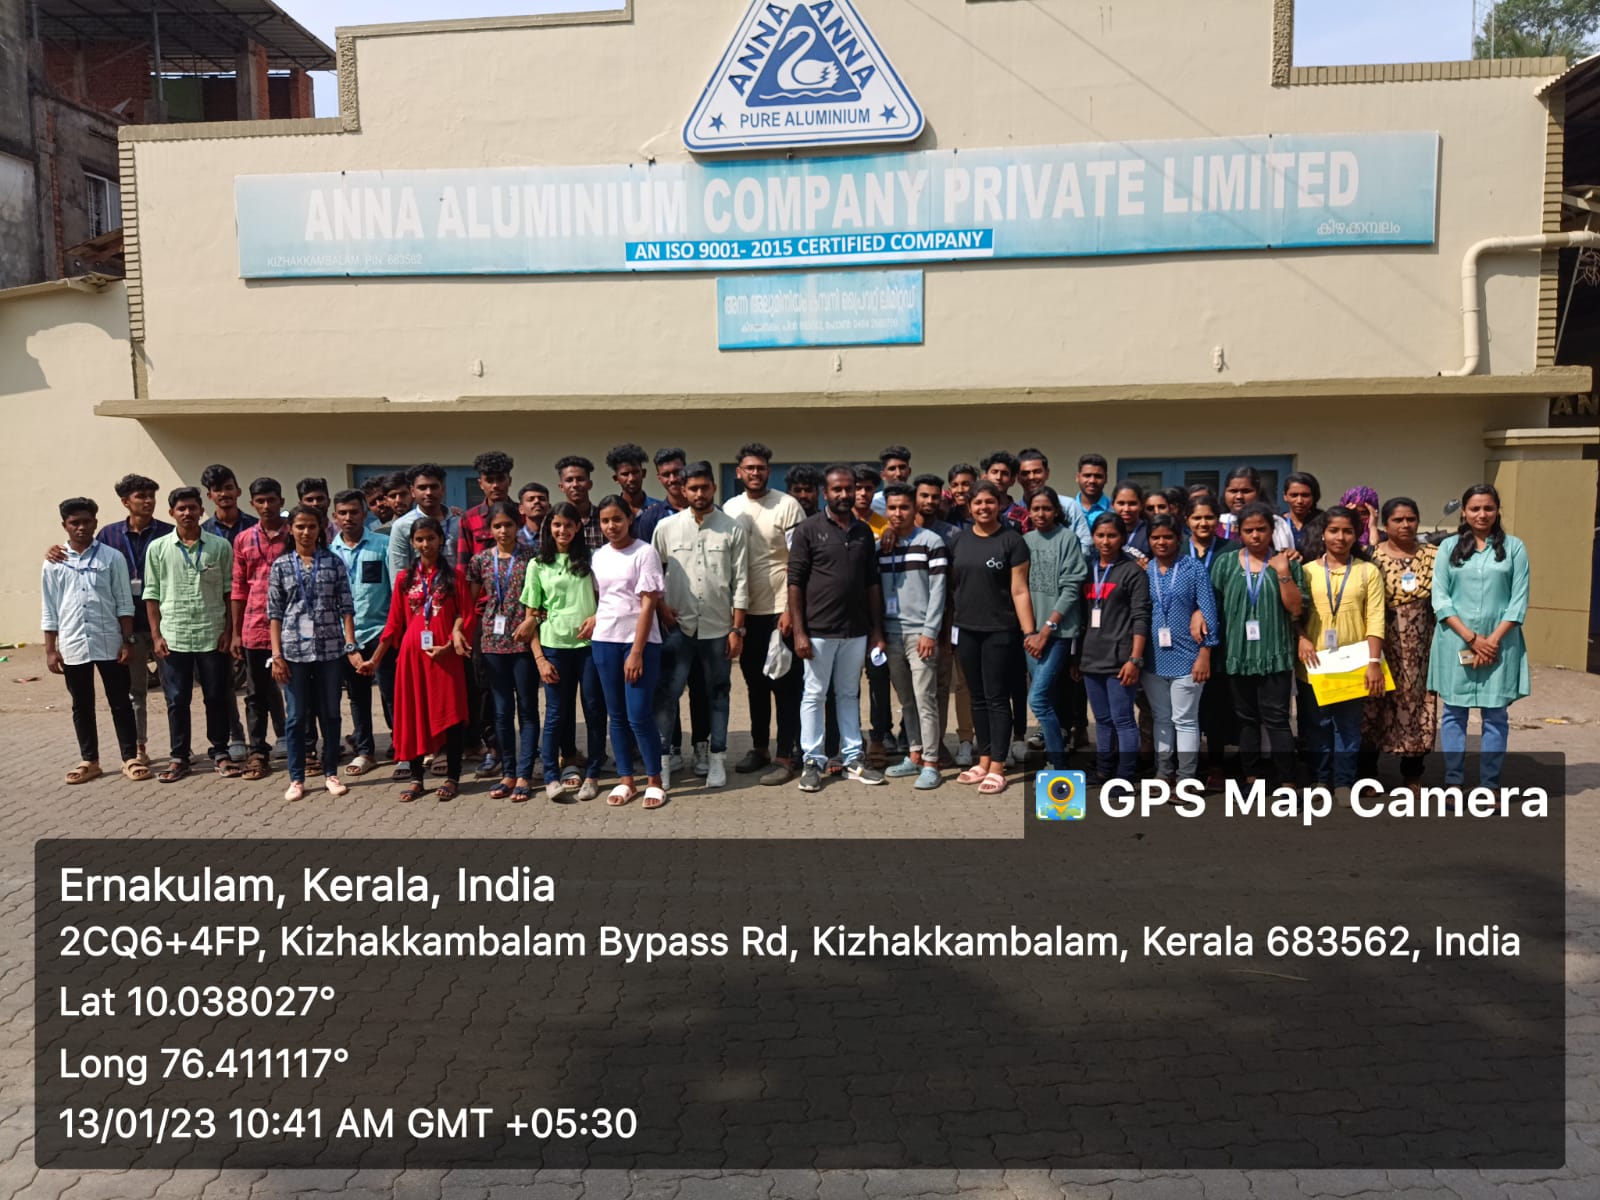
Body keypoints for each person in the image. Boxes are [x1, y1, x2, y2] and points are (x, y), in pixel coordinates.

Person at [788, 464, 888, 792]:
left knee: (848, 693)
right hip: (818, 630)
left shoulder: (862, 532)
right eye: (837, 489)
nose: (844, 494)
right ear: (825, 493)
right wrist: (800, 632)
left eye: (849, 488)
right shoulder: (808, 530)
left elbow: (872, 583)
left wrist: (876, 630)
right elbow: (795, 582)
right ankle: (812, 760)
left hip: (856, 630)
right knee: (814, 694)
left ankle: (852, 758)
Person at [1427, 484, 1530, 789]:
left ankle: (1490, 786)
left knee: (1496, 715)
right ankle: (1453, 782)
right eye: (1475, 508)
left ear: (1497, 510)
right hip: (1456, 640)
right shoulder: (1448, 547)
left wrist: (1492, 641)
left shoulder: (1514, 548)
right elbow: (1440, 598)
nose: (1481, 514)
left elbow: (1518, 600)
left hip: (1501, 644)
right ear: (1464, 512)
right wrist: (1472, 639)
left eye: (1488, 508)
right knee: (1453, 714)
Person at [653, 461, 748, 789]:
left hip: (718, 628)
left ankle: (717, 758)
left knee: (718, 694)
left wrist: (737, 630)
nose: (699, 493)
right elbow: (653, 574)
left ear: (714, 488)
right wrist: (661, 607)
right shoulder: (666, 527)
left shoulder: (732, 528)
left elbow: (741, 582)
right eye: (692, 488)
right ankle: (663, 761)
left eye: (704, 487)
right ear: (683, 490)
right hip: (677, 628)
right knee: (667, 695)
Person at [369, 517, 474, 802]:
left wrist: (450, 645)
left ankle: (453, 777)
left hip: (446, 657)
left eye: (430, 538)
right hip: (412, 658)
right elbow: (393, 624)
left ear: (441, 540)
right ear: (412, 543)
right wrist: (375, 659)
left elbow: (466, 614)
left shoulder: (454, 577)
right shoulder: (404, 579)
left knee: (451, 715)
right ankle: (417, 778)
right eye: (420, 539)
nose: (426, 544)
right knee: (413, 715)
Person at [724, 442, 806, 786]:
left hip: (779, 611)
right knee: (754, 683)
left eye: (760, 468)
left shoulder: (787, 505)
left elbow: (799, 561)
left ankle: (786, 755)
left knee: (785, 685)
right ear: (739, 472)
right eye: (749, 468)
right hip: (746, 612)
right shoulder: (731, 508)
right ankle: (759, 748)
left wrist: (789, 609)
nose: (755, 473)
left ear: (768, 471)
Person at [43, 497, 141, 783]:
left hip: (110, 642)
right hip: (73, 643)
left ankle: (130, 757)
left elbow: (124, 603)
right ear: (65, 525)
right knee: (82, 704)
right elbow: (49, 609)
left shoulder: (112, 557)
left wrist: (127, 641)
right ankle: (90, 760)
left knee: (120, 701)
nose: (81, 527)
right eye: (75, 522)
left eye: (86, 521)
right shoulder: (54, 562)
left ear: (95, 522)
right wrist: (50, 650)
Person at [145, 486, 236, 783]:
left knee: (217, 696)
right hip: (175, 635)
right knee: (177, 700)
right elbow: (151, 594)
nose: (187, 513)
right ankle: (179, 756)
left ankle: (220, 752)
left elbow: (229, 592)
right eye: (181, 508)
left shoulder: (220, 546)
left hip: (212, 633)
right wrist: (156, 636)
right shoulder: (158, 548)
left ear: (201, 510)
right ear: (171, 512)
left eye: (192, 507)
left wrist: (229, 631)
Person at [947, 480, 1034, 794]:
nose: (984, 507)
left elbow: (1019, 590)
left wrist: (1029, 632)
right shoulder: (958, 541)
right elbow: (952, 588)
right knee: (977, 696)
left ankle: (998, 765)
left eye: (989, 502)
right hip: (966, 630)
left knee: (997, 698)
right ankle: (982, 760)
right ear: (969, 507)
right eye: (978, 503)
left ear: (999, 504)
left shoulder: (1012, 541)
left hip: (1000, 631)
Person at [267, 505, 358, 802]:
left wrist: (350, 644)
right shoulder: (281, 565)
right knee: (295, 717)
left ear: (321, 529)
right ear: (291, 529)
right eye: (300, 526)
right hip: (293, 652)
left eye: (312, 526)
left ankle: (331, 772)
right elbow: (274, 613)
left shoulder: (333, 562)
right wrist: (276, 655)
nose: (306, 532)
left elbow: (346, 607)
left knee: (330, 713)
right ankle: (296, 777)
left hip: (330, 651)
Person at [1211, 502, 1305, 786]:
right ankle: (1251, 776)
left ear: (1272, 530)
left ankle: (1287, 780)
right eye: (1249, 530)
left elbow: (1296, 609)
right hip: (1237, 653)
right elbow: (1213, 604)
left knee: (1276, 719)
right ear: (1239, 532)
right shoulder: (1226, 563)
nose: (1255, 536)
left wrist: (1283, 572)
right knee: (1246, 719)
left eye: (1261, 529)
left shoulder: (1287, 562)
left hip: (1274, 654)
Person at [517, 502, 604, 804]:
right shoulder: (538, 564)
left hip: (589, 649)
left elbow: (608, 598)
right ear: (549, 528)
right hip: (554, 648)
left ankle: (592, 774)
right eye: (557, 525)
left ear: (578, 527)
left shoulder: (592, 559)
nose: (562, 530)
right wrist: (540, 659)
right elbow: (530, 617)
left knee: (594, 711)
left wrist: (597, 617)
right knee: (556, 713)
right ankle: (551, 776)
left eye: (568, 525)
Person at [1298, 506, 1387, 791]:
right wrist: (1301, 637)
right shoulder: (1307, 571)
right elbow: (1294, 613)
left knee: (1348, 726)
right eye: (1333, 530)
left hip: (1354, 662)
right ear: (1323, 534)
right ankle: (1320, 780)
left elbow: (1375, 618)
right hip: (1315, 662)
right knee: (1318, 725)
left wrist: (1374, 662)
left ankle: (1344, 782)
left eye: (1347, 531)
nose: (1340, 537)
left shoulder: (1368, 571)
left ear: (1356, 535)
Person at [590, 494, 668, 809]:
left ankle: (655, 780)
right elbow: (605, 597)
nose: (611, 526)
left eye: (617, 519)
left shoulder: (644, 553)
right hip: (604, 640)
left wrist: (636, 651)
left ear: (629, 519)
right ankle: (626, 780)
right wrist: (594, 618)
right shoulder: (599, 556)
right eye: (605, 521)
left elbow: (649, 603)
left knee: (638, 714)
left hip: (640, 643)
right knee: (617, 715)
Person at [93, 473, 173, 764]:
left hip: (166, 623)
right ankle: (139, 747)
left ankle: (180, 747)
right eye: (141, 496)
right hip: (128, 626)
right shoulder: (108, 536)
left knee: (174, 691)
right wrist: (57, 551)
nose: (148, 501)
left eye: (151, 496)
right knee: (136, 691)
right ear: (126, 502)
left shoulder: (168, 533)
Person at [876, 483, 948, 790]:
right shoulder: (882, 546)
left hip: (921, 635)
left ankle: (931, 762)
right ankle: (915, 754)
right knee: (906, 700)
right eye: (892, 508)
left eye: (904, 507)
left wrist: (930, 632)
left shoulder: (931, 542)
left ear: (914, 509)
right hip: (892, 634)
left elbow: (939, 591)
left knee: (925, 699)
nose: (897, 513)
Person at [1361, 497, 1438, 779]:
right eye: (1398, 520)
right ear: (1385, 524)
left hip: (1421, 648)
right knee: (1373, 705)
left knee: (1416, 706)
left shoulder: (1434, 556)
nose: (1405, 525)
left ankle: (1412, 775)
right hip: (1381, 642)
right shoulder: (1371, 557)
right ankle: (1367, 774)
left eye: (1411, 519)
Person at [467, 501, 538, 803]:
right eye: (497, 526)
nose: (503, 531)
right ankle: (508, 772)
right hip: (493, 642)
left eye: (508, 525)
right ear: (489, 529)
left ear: (517, 525)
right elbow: (471, 602)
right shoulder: (481, 560)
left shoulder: (532, 557)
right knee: (501, 710)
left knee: (528, 708)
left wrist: (532, 621)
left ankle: (525, 773)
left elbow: (541, 597)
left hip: (524, 640)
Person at [1073, 512, 1150, 784]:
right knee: (1103, 720)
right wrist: (1076, 659)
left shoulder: (1132, 571)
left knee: (1123, 720)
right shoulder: (1086, 568)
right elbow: (1080, 617)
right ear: (1093, 537)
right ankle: (1104, 770)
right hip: (1090, 658)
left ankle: (1125, 776)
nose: (1105, 541)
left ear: (1123, 538)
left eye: (1112, 535)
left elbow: (1141, 617)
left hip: (1120, 660)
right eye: (1100, 535)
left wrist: (1135, 659)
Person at [1142, 514, 1220, 783]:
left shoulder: (1193, 568)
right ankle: (1163, 773)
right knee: (1161, 719)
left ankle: (1187, 778)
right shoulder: (1145, 570)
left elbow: (1208, 611)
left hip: (1188, 658)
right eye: (1155, 537)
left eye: (1168, 536)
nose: (1161, 542)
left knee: (1185, 720)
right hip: (1152, 659)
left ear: (1178, 538)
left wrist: (1205, 653)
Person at [1021, 486, 1087, 772]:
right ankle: (1053, 755)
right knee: (1045, 698)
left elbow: (1071, 588)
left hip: (1058, 634)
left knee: (1037, 698)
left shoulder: (1068, 539)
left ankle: (1058, 761)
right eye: (1035, 508)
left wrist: (1046, 630)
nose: (1041, 513)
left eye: (1046, 508)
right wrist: (1030, 633)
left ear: (1056, 511)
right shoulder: (1024, 541)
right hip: (1030, 635)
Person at [229, 477, 290, 781]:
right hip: (254, 626)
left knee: (297, 689)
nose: (267, 506)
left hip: (292, 626)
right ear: (252, 503)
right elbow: (239, 587)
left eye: (272, 500)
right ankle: (258, 752)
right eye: (260, 501)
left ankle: (304, 747)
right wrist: (236, 632)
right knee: (256, 693)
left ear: (281, 501)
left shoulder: (295, 533)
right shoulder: (243, 539)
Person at [329, 489, 392, 776]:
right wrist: (348, 643)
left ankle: (402, 747)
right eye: (342, 513)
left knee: (391, 694)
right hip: (347, 637)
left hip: (381, 632)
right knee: (357, 697)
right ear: (334, 516)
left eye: (354, 512)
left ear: (364, 514)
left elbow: (395, 590)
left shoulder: (383, 545)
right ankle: (365, 751)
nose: (348, 517)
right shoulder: (329, 552)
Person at [389, 464, 462, 574]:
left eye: (434, 487)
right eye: (422, 488)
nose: (429, 493)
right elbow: (398, 570)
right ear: (412, 491)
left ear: (443, 489)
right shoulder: (402, 526)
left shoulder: (459, 522)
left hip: (457, 584)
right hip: (418, 584)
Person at [1017, 448, 1093, 553]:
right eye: (1025, 473)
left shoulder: (1068, 506)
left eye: (1037, 472)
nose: (1031, 477)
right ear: (1018, 477)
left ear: (1047, 473)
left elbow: (1085, 544)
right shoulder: (1015, 512)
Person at [456, 451, 516, 563]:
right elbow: (463, 562)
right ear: (480, 484)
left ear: (510, 481)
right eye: (489, 480)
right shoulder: (469, 518)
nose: (495, 485)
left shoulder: (522, 514)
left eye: (500, 479)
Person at [1217, 466, 1294, 550]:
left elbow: (1284, 554)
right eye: (1233, 491)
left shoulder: (1275, 523)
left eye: (1246, 491)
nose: (1239, 496)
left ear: (1258, 492)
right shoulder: (1215, 523)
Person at [634, 448, 689, 544]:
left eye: (677, 472)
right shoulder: (650, 518)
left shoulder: (707, 511)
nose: (672, 479)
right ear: (659, 478)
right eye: (666, 475)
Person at [555, 455, 606, 550]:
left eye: (580, 479)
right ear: (561, 487)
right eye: (569, 480)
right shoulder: (553, 521)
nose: (575, 484)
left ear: (590, 484)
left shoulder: (604, 518)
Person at [200, 464, 259, 545]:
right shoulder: (204, 531)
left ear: (238, 492)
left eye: (229, 488)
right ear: (209, 496)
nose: (224, 494)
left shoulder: (255, 526)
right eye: (217, 489)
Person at [605, 443, 658, 527]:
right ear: (616, 479)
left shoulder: (658, 509)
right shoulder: (610, 512)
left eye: (635, 472)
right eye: (625, 474)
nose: (631, 478)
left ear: (643, 473)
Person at [979, 451, 1028, 528]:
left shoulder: (1023, 516)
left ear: (1012, 480)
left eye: (1004, 473)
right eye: (994, 472)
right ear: (985, 477)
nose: (999, 477)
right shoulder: (977, 511)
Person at [1282, 472, 1324, 555]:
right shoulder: (1278, 523)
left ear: (1314, 496)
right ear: (1285, 496)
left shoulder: (1324, 522)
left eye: (1305, 495)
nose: (1299, 501)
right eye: (1294, 495)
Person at [1109, 480, 1151, 561]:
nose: (1126, 509)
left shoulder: (1150, 532)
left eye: (1132, 503)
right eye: (1121, 503)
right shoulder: (1106, 533)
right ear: (1112, 505)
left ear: (1141, 505)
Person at [870, 444, 912, 515]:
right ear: (883, 475)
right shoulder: (873, 502)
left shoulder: (917, 499)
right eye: (892, 469)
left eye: (902, 468)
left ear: (909, 471)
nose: (898, 474)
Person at [853, 464, 889, 537]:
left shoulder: (884, 527)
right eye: (858, 488)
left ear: (874, 490)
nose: (863, 493)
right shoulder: (839, 521)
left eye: (868, 489)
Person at [516, 481, 551, 551]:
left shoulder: (556, 536)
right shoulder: (515, 539)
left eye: (542, 499)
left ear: (549, 507)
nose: (537, 501)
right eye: (531, 499)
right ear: (521, 509)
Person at [1075, 454, 1110, 520]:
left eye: (1098, 476)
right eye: (1087, 475)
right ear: (1077, 477)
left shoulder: (1114, 509)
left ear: (1106, 478)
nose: (1092, 481)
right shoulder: (1066, 509)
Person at [945, 462, 977, 527]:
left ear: (976, 486)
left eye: (966, 484)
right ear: (950, 490)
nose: (960, 490)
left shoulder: (986, 515)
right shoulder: (948, 517)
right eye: (954, 485)